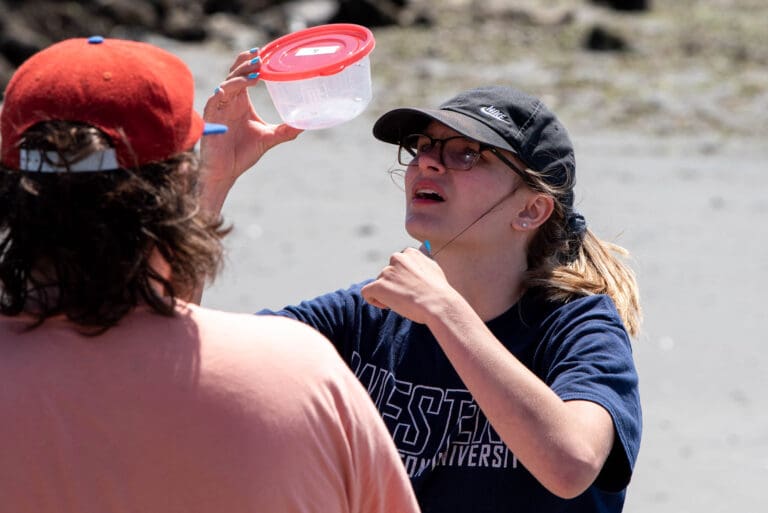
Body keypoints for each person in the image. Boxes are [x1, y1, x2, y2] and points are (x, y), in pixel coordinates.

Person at [200, 49, 642, 513]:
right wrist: (211, 182)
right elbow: (188, 365)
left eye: (467, 154)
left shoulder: (578, 326)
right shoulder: (368, 316)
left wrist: (444, 310)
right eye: (423, 147)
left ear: (531, 210)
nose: (427, 164)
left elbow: (571, 465)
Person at [0, 37, 420, 513]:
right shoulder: (297, 376)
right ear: (179, 180)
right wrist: (208, 188)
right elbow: (162, 341)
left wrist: (205, 187)